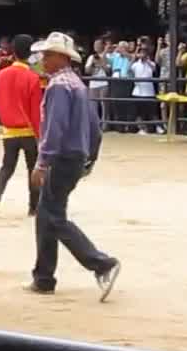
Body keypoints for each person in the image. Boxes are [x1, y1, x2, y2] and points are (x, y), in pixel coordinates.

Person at [27, 32, 121, 301]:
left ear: (61, 57)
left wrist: (42, 162)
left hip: (61, 157)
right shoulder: (78, 85)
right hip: (76, 157)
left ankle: (100, 262)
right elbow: (96, 128)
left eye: (47, 55)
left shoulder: (58, 86)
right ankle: (43, 277)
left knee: (53, 217)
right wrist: (90, 157)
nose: (43, 59)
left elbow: (54, 129)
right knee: (48, 214)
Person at [0, 35, 44, 219]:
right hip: (28, 130)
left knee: (6, 168)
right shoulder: (32, 77)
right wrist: (40, 134)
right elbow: (35, 110)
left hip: (9, 130)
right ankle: (34, 207)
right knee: (32, 169)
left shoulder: (2, 74)